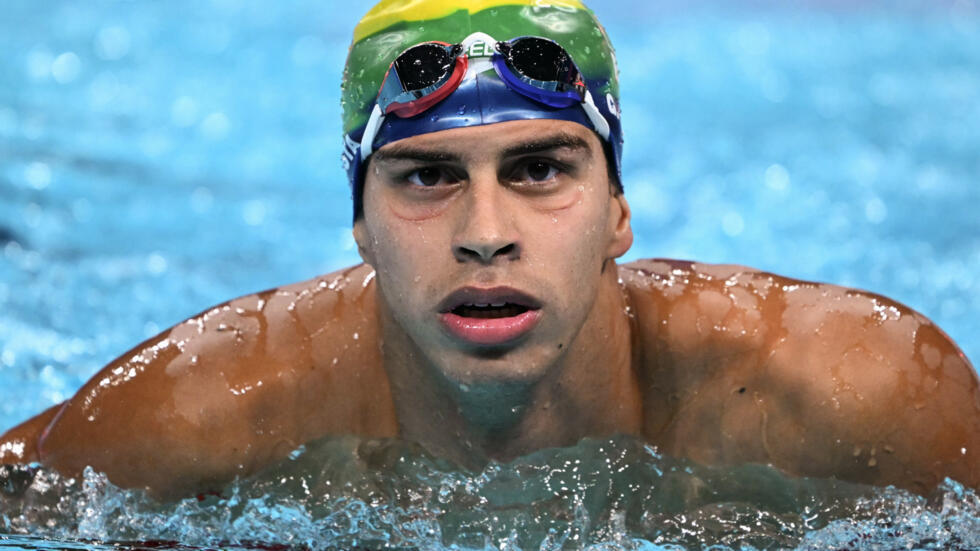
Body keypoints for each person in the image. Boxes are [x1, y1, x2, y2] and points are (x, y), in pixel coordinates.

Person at [1, 0, 977, 501]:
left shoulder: (861, 399)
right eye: (425, 176)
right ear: (358, 228)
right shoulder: (203, 412)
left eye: (540, 168)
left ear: (619, 213)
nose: (484, 231)